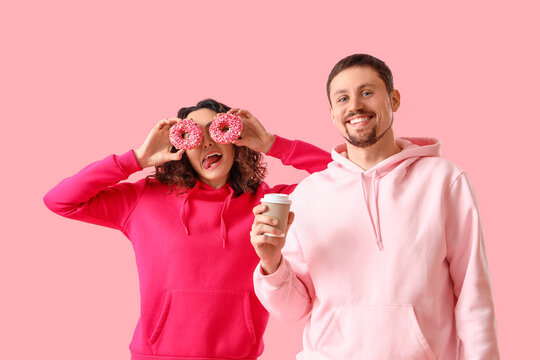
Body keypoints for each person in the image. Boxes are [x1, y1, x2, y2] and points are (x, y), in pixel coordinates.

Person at [250, 55, 500, 359]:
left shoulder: (443, 181)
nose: (355, 106)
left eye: (367, 92)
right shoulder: (308, 195)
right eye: (343, 98)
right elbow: (291, 312)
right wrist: (271, 263)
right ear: (332, 114)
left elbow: (474, 296)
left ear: (393, 99)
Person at [43, 98, 332, 360]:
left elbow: (342, 177)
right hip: (155, 356)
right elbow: (60, 200)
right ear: (181, 147)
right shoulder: (144, 198)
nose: (206, 142)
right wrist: (137, 159)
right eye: (194, 135)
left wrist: (271, 143)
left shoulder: (269, 203)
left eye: (215, 131)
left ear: (235, 139)